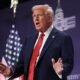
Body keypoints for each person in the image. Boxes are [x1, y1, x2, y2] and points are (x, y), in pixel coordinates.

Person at [0, 4, 74, 80]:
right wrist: (9, 72)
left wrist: (61, 70)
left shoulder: (63, 38)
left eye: (39, 15)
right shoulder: (28, 41)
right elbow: (21, 66)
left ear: (49, 18)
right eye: (34, 16)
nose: (36, 18)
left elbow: (68, 63)